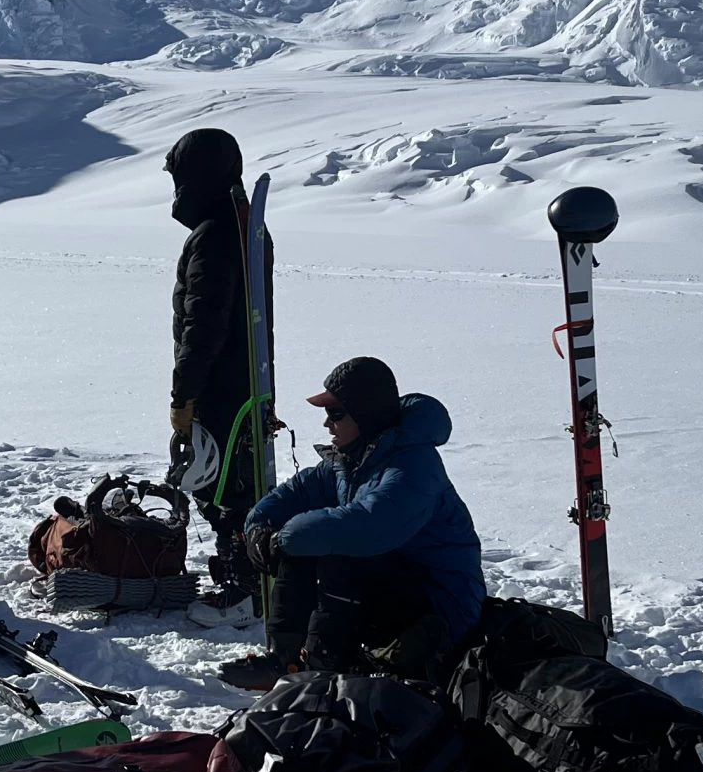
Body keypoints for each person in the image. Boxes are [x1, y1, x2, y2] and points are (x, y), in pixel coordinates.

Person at [220, 355, 486, 691]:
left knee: (333, 551)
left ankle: (321, 669)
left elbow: (368, 526)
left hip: (442, 612)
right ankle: (286, 660)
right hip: (396, 592)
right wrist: (259, 527)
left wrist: (283, 538)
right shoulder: (350, 460)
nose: (327, 425)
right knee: (306, 541)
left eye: (336, 414)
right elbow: (293, 494)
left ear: (366, 415)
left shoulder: (414, 464)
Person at [165, 127, 272, 608]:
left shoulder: (217, 233)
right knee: (235, 478)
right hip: (245, 378)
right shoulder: (243, 224)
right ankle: (247, 572)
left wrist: (184, 394)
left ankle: (247, 583)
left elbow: (203, 322)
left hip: (220, 383)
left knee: (220, 482)